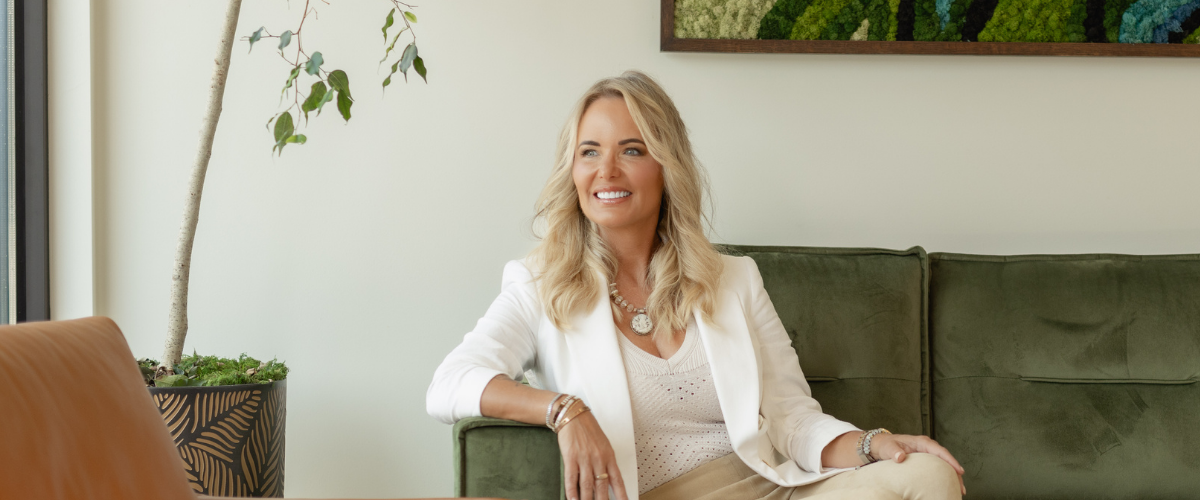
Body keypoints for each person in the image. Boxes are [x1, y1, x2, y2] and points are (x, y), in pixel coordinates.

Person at [427, 71, 966, 500]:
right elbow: (450, 383)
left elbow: (791, 417)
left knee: (927, 477)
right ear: (572, 170)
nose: (606, 170)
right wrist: (564, 409)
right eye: (589, 151)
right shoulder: (541, 284)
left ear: (666, 166)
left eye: (632, 150)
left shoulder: (734, 279)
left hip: (768, 488)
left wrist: (873, 445)